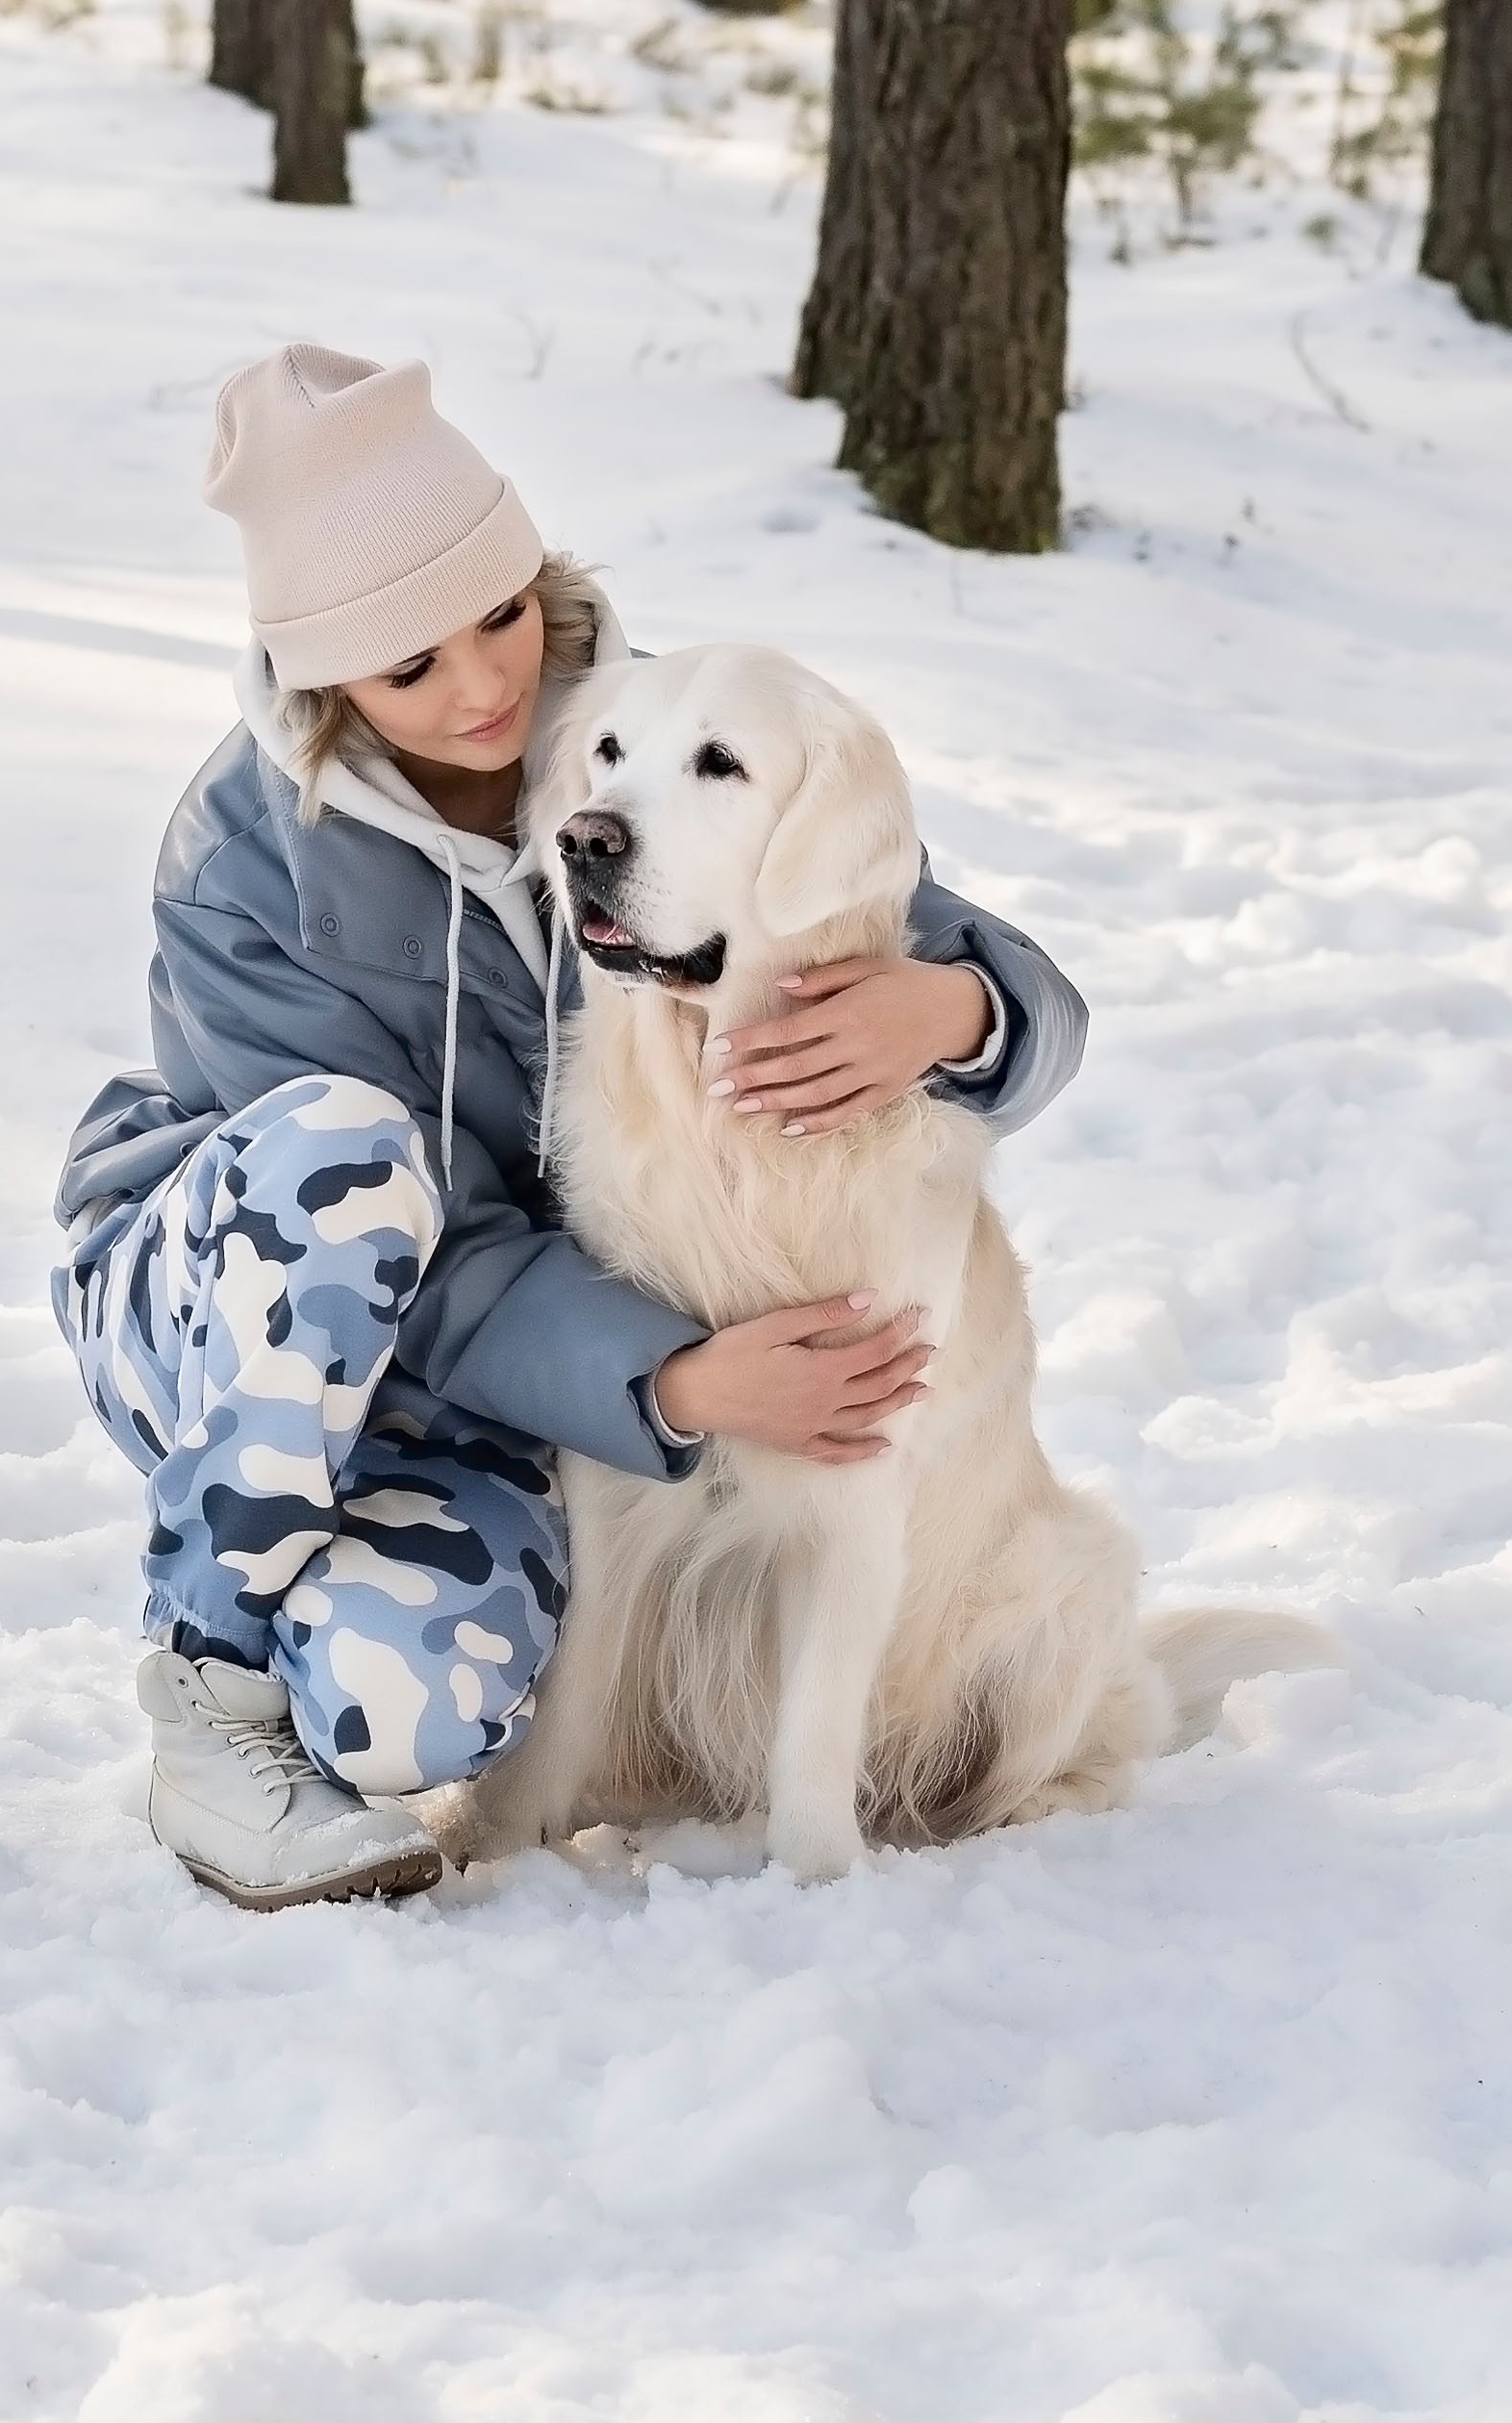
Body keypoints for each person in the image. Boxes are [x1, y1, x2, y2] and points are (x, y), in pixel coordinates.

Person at [53, 344, 1089, 1910]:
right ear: (326, 678)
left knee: (418, 1712)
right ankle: (209, 1691)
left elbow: (881, 903)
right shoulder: (244, 864)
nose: (484, 690)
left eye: (500, 614)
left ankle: (344, 1632)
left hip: (505, 1383)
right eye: (408, 667)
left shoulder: (641, 734)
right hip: (253, 1306)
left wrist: (953, 1011)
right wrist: (667, 1376)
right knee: (340, 1151)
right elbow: (411, 1231)